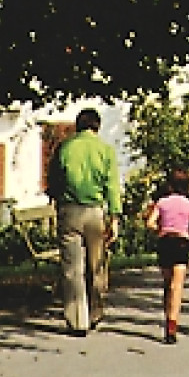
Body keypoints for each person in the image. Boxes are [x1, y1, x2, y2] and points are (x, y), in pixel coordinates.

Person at [45, 107, 122, 337]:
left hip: (70, 212)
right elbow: (112, 186)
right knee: (96, 264)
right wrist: (115, 217)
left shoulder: (65, 147)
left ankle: (77, 319)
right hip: (95, 213)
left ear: (77, 125)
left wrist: (58, 200)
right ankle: (96, 310)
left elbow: (54, 180)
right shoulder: (105, 150)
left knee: (72, 269)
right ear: (97, 126)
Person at [145, 168, 189, 345]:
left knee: (167, 283)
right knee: (177, 286)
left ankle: (166, 317)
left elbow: (150, 222)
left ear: (169, 185)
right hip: (181, 243)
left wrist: (160, 229)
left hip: (165, 242)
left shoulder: (162, 203)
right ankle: (173, 324)